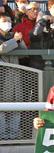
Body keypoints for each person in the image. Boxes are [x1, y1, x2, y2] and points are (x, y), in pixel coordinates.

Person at [0, 12, 26, 140]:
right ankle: (2, 135)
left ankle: (14, 135)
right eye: (4, 20)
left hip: (15, 78)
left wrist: (19, 40)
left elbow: (24, 53)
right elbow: (1, 49)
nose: (7, 23)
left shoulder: (13, 36)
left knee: (16, 106)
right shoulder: (10, 38)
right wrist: (14, 40)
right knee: (2, 108)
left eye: (10, 21)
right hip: (3, 78)